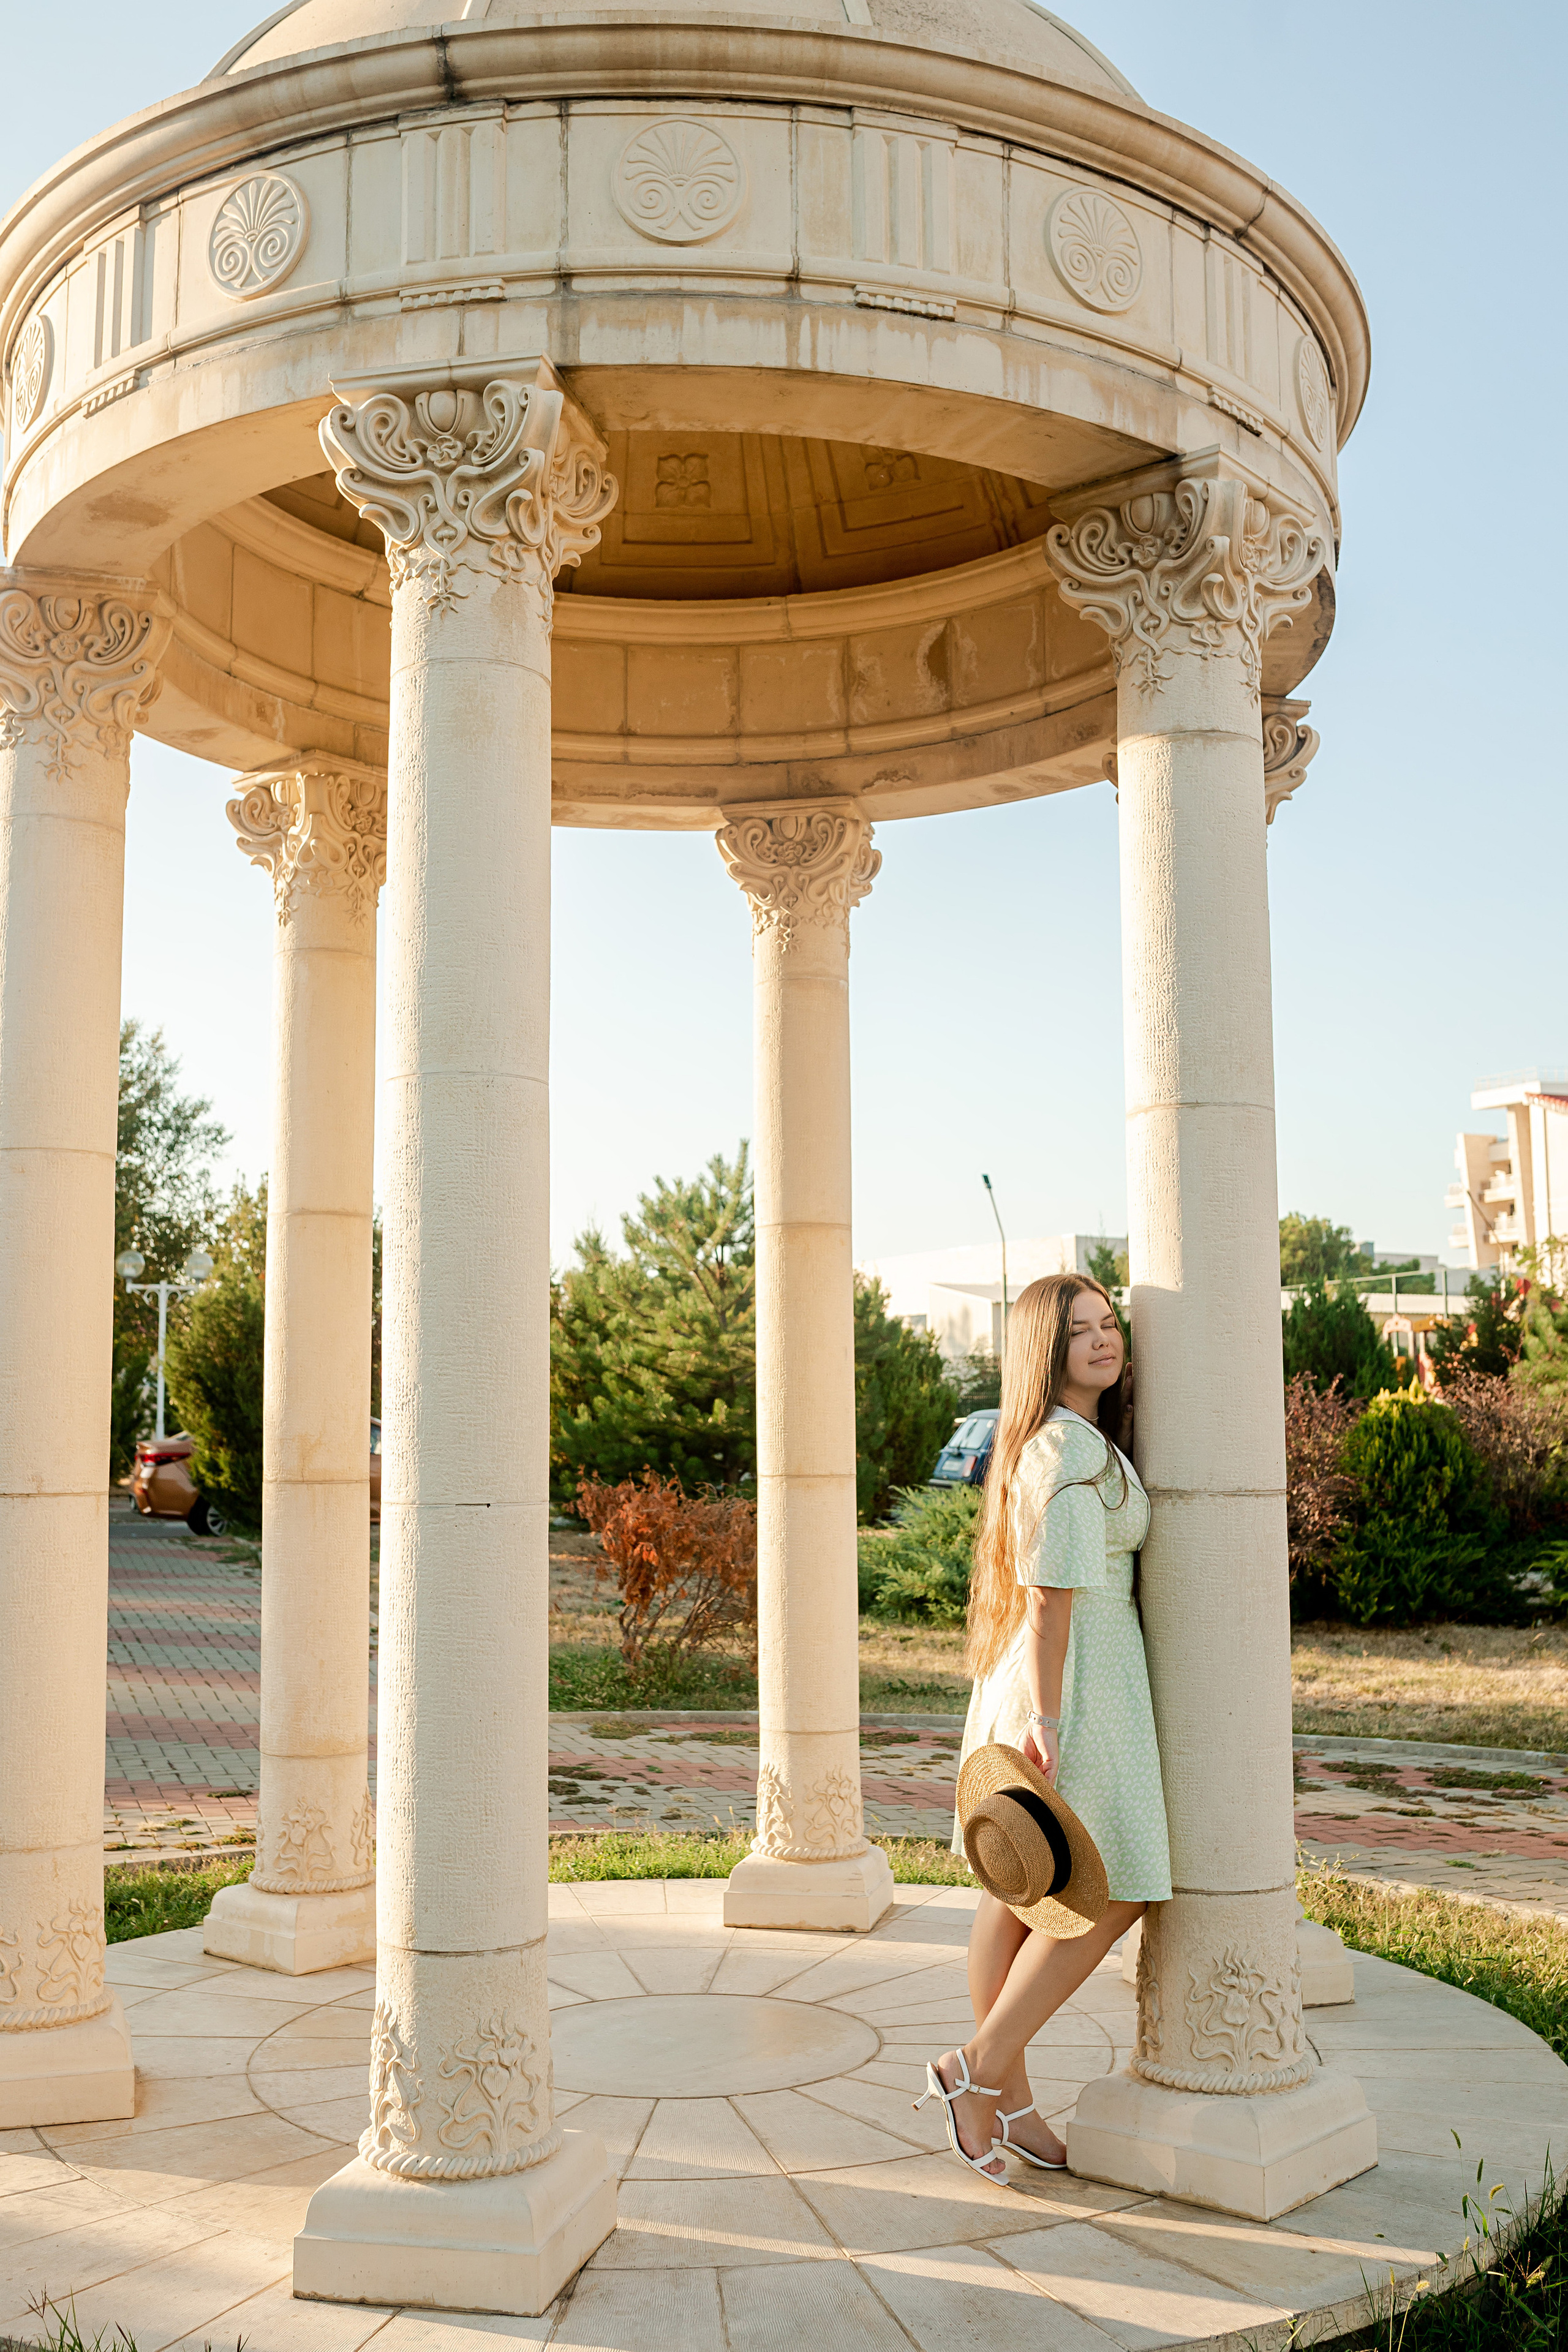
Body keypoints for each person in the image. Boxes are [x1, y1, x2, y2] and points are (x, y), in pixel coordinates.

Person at [927, 1272, 1171, 2180]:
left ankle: (1008, 2105)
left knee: (1019, 1893)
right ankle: (977, 2072)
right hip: (1072, 1686)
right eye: (1082, 1331)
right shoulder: (1066, 1452)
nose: (1105, 1340)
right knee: (1114, 1888)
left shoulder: (1056, 1442)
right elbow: (1048, 1605)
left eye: (1110, 1323)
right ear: (1047, 1351)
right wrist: (1050, 1721)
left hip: (1059, 1682)